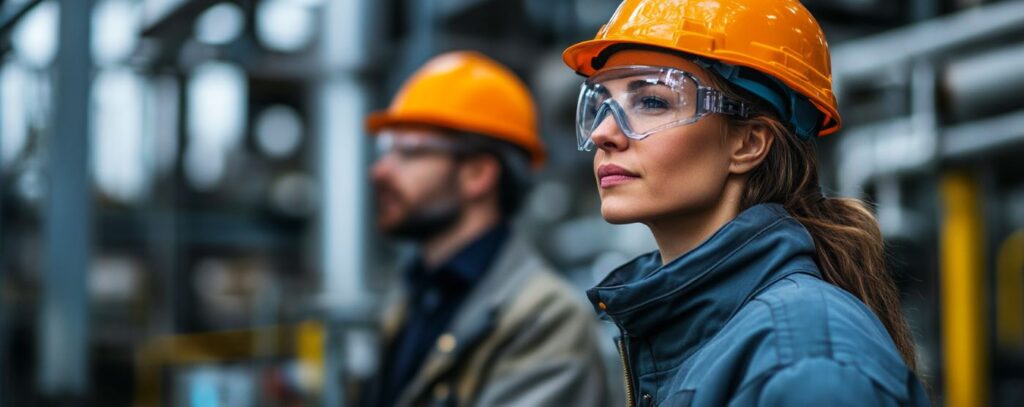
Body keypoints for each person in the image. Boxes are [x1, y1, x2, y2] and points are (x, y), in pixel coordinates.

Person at [560, 0, 930, 406]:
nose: (603, 133)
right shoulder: (703, 338)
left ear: (749, 143)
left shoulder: (806, 364)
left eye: (651, 101)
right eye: (599, 104)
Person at [360, 51, 609, 407]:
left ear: (478, 173)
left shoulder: (546, 319)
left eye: (409, 151)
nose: (380, 171)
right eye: (386, 150)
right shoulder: (412, 294)